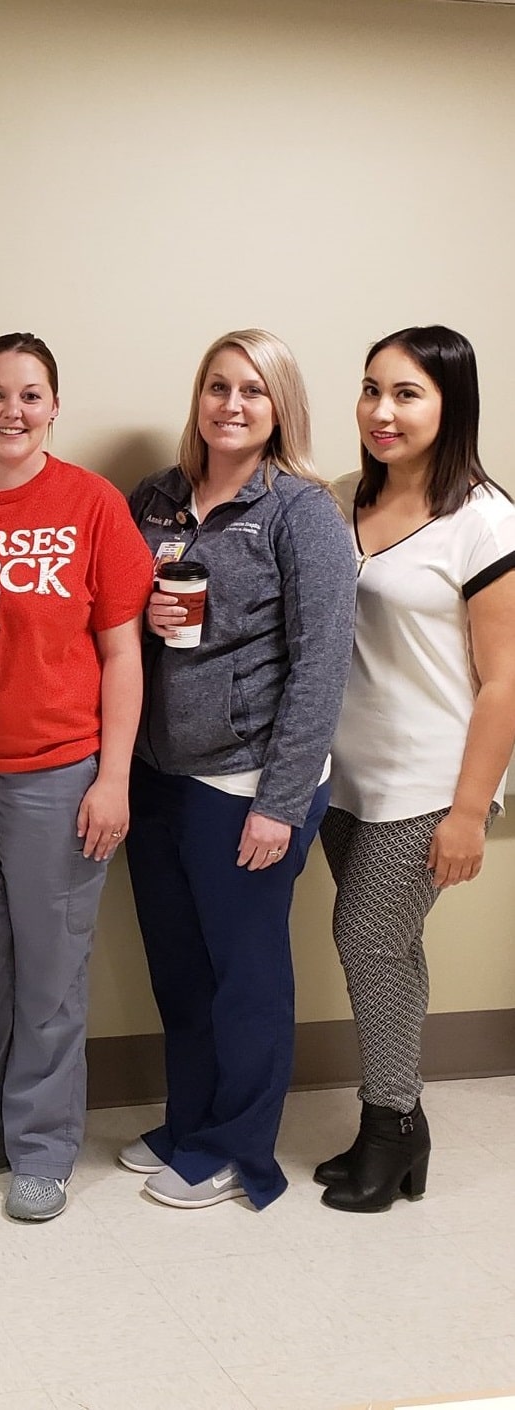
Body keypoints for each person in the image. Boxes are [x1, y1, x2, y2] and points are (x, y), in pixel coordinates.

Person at [0, 333, 152, 1222]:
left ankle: (43, 1143)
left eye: (31, 395)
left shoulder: (91, 504)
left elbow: (123, 652)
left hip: (58, 773)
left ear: (54, 408)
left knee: (51, 969)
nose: (12, 412)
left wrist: (111, 779)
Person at [122, 329, 356, 1210]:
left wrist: (281, 803)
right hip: (158, 773)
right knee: (178, 968)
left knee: (244, 975)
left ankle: (239, 1150)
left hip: (248, 783)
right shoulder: (155, 499)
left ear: (279, 407)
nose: (230, 404)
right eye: (217, 386)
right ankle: (189, 1122)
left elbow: (322, 664)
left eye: (252, 391)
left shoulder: (302, 512)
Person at [314, 326, 515, 1212]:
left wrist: (470, 812)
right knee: (388, 947)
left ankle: (388, 1126)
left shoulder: (485, 520)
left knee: (366, 941)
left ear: (450, 405)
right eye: (370, 390)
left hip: (430, 780)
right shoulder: (335, 500)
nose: (380, 411)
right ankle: (402, 1126)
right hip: (339, 776)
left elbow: (505, 682)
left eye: (406, 394)